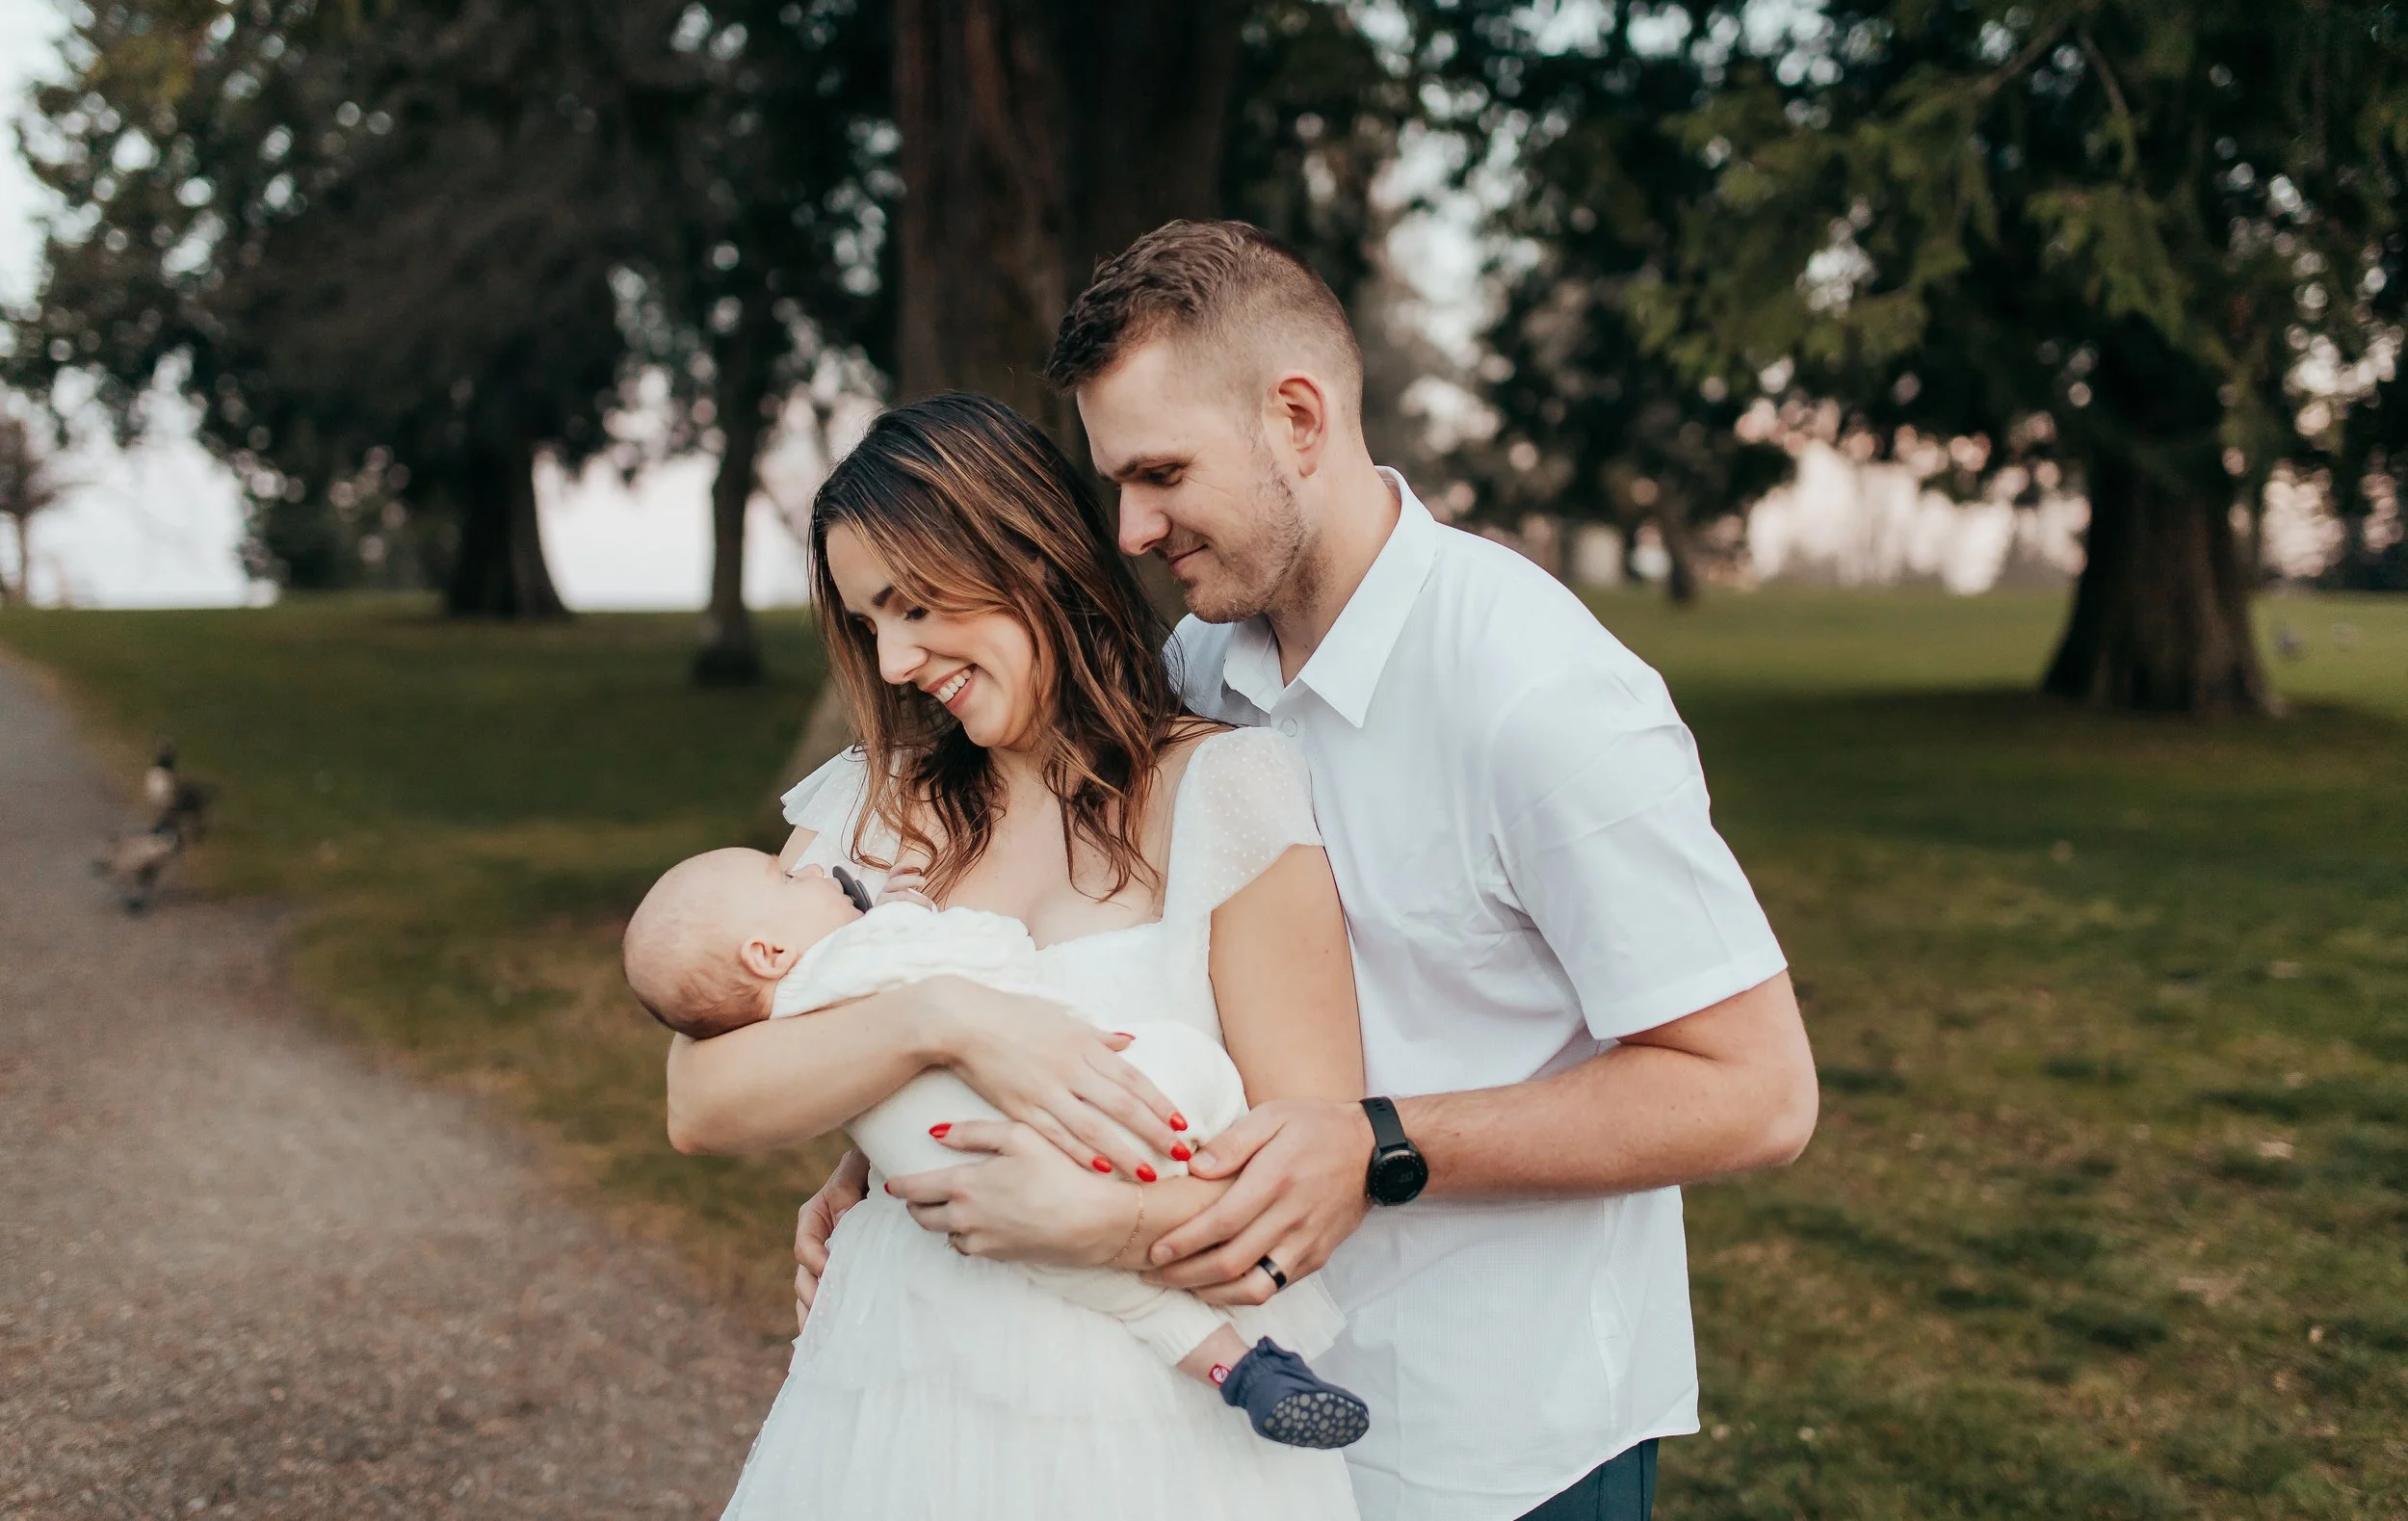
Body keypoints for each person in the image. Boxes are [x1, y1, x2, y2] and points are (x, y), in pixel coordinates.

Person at [799, 222, 1819, 1521]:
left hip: (1502, 1438)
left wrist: (1379, 1142)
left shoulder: (1539, 698)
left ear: (1298, 417)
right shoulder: (1195, 672)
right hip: (1236, 1422)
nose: (1132, 525)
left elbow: (1756, 1088)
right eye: (1116, 481)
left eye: (1161, 473)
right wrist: (892, 1159)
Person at [665, 391, 1370, 1519]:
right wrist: (940, 1020)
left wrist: (1108, 1223)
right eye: (867, 623)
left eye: (912, 605)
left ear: (1026, 551)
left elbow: (1312, 1172)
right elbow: (700, 1097)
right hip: (899, 1398)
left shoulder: (1225, 793)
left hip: (1156, 1430)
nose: (893, 659)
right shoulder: (873, 803)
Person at [621, 844, 1371, 1448]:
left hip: (975, 1214)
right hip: (1079, 1147)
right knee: (1185, 1066)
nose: (816, 867)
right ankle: (1227, 1254)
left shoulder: (786, 1013)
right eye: (787, 876)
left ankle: (1241, 1368)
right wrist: (919, 922)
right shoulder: (852, 952)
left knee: (1134, 1305)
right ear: (765, 950)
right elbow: (992, 955)